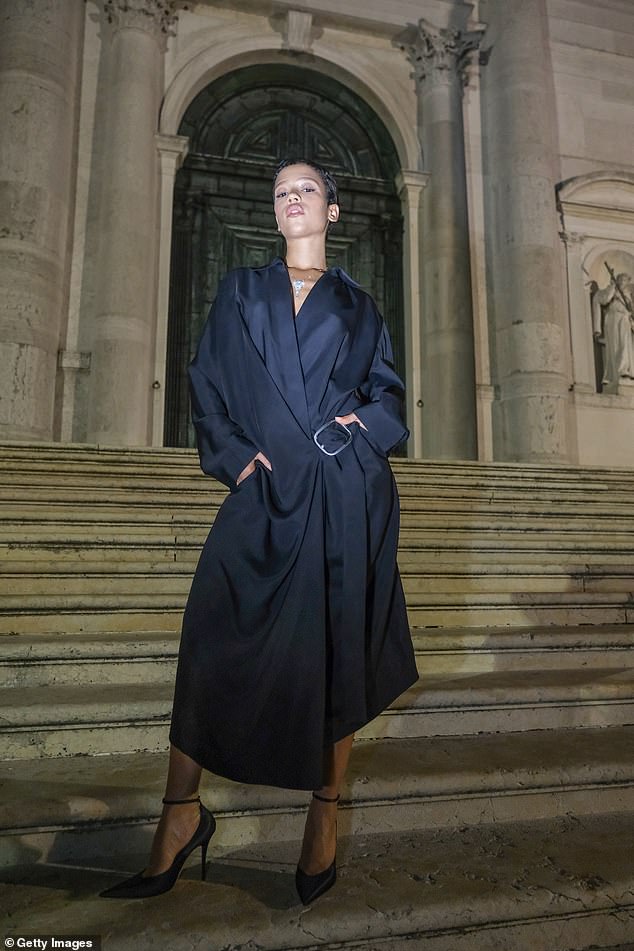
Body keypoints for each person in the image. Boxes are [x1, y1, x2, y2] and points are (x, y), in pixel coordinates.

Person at [101, 159, 419, 905]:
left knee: (338, 649)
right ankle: (182, 810)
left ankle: (324, 812)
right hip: (266, 486)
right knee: (212, 630)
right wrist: (237, 459)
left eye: (306, 189)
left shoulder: (360, 304)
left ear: (333, 212)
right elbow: (207, 380)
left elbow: (389, 394)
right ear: (273, 216)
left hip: (345, 494)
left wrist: (357, 431)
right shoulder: (239, 290)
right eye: (281, 193)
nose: (293, 199)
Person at [591, 270, 634, 386]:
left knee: (625, 345)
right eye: (621, 279)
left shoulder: (628, 295)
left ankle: (625, 369)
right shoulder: (611, 290)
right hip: (613, 319)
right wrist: (612, 288)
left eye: (625, 280)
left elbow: (631, 310)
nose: (623, 282)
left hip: (625, 320)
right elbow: (603, 299)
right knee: (615, 345)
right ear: (617, 280)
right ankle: (616, 373)